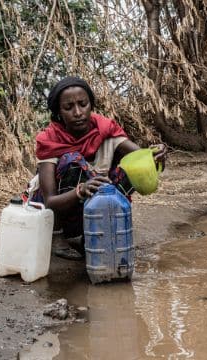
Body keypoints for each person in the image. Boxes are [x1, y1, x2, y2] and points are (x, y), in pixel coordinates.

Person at [29, 76, 167, 251]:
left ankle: (107, 229)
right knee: (72, 160)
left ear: (91, 106)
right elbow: (50, 201)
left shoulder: (105, 129)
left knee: (131, 168)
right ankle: (59, 238)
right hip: (63, 213)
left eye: (83, 104)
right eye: (68, 107)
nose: (78, 112)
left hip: (98, 209)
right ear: (58, 113)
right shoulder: (50, 139)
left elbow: (141, 160)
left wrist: (156, 156)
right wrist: (81, 190)